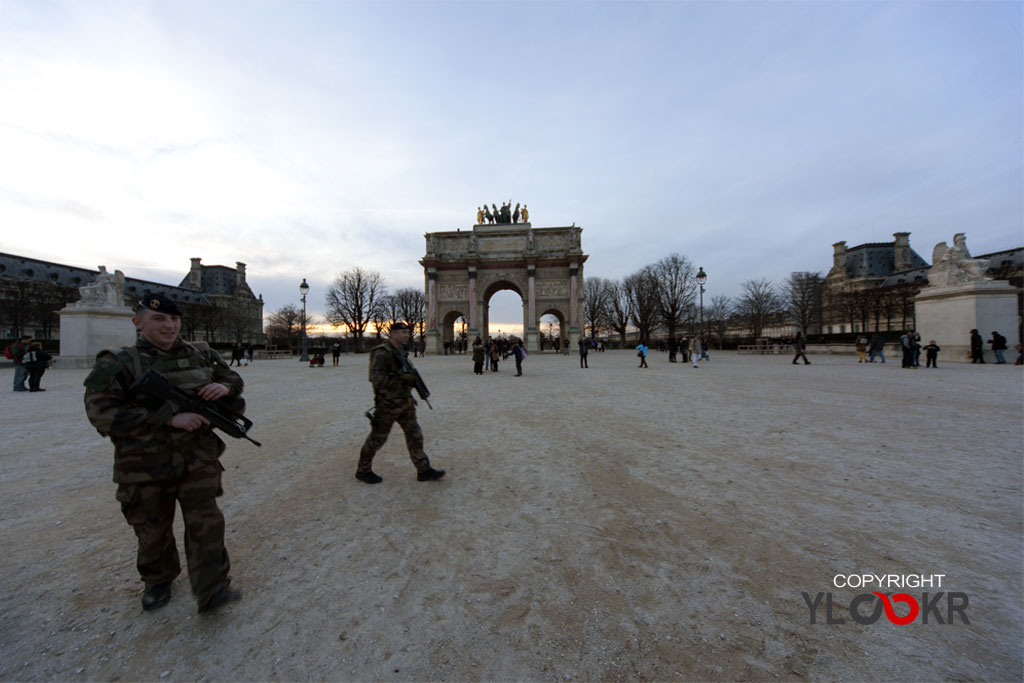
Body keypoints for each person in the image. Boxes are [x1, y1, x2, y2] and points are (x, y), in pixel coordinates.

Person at [83, 293, 243, 614]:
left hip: (197, 457)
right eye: (158, 319)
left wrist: (225, 387)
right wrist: (168, 418)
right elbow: (100, 414)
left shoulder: (202, 353)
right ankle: (158, 578)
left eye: (173, 319)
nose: (169, 326)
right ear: (138, 322)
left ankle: (212, 588)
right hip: (143, 464)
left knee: (206, 523)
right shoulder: (116, 362)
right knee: (152, 528)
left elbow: (232, 377)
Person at [356, 322, 444, 484]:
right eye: (403, 332)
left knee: (415, 436)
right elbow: (376, 379)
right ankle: (363, 470)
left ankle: (423, 469)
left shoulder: (401, 352)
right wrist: (401, 378)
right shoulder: (381, 352)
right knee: (377, 439)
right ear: (393, 334)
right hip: (387, 406)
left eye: (407, 332)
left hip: (404, 403)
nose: (407, 335)